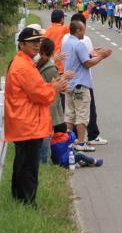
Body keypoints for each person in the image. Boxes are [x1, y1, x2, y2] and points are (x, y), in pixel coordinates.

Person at [4, 27, 69, 206]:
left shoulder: (24, 62)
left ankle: (20, 199)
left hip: (24, 121)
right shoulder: (24, 66)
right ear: (21, 44)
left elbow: (37, 90)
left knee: (22, 164)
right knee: (29, 168)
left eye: (38, 41)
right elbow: (39, 94)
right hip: (28, 123)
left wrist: (50, 87)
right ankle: (27, 203)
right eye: (32, 42)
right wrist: (53, 88)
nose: (36, 45)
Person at [62, 20, 112, 152]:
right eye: (83, 29)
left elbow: (79, 58)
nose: (84, 32)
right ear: (78, 30)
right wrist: (102, 56)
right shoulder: (79, 44)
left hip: (69, 84)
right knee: (82, 114)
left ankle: (68, 141)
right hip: (80, 84)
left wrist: (91, 53)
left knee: (69, 114)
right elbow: (87, 63)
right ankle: (81, 142)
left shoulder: (66, 43)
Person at [38, 38, 64, 165]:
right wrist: (65, 78)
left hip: (44, 102)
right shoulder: (51, 67)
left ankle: (44, 159)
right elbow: (57, 84)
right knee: (47, 133)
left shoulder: (41, 63)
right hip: (50, 103)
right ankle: (44, 160)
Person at [44, 9, 70, 75]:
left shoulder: (47, 31)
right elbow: (76, 25)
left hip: (49, 65)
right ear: (62, 19)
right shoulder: (64, 28)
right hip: (60, 65)